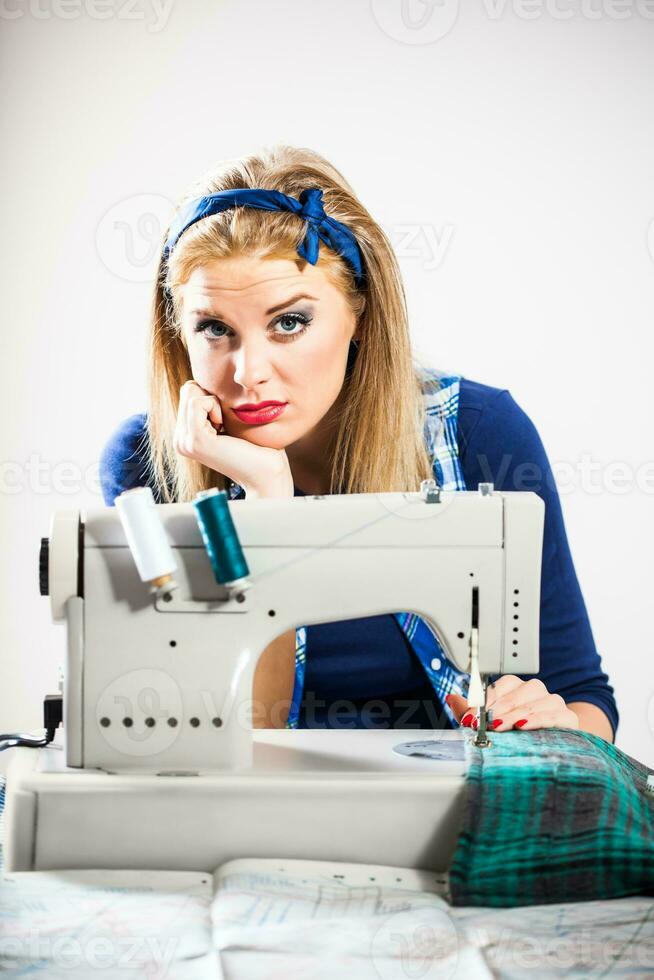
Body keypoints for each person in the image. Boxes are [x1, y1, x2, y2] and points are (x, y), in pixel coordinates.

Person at [99, 144, 617, 742]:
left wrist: (558, 720)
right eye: (215, 329)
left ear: (360, 318)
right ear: (178, 334)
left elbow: (583, 695)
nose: (248, 372)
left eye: (289, 323)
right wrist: (266, 502)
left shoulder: (478, 432)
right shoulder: (148, 466)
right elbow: (227, 735)